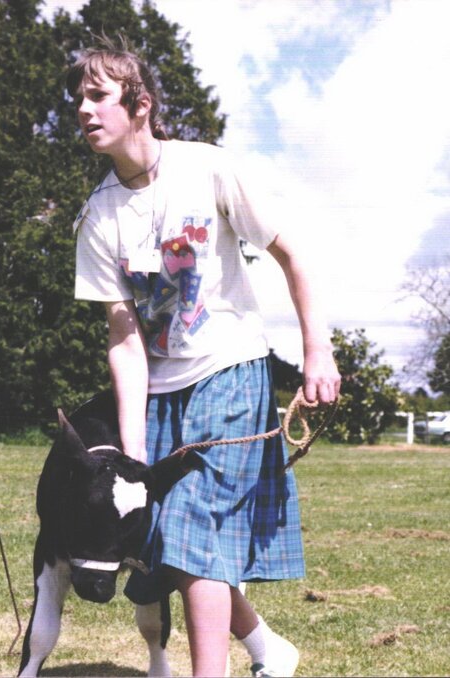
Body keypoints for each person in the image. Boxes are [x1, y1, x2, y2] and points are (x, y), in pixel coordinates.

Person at [68, 35, 342, 677]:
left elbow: (293, 254)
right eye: (79, 97)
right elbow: (124, 339)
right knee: (163, 538)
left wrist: (318, 351)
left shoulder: (209, 168)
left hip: (231, 371)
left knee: (194, 526)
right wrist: (135, 453)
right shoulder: (98, 217)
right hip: (162, 391)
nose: (83, 109)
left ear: (140, 104)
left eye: (99, 95)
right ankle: (268, 649)